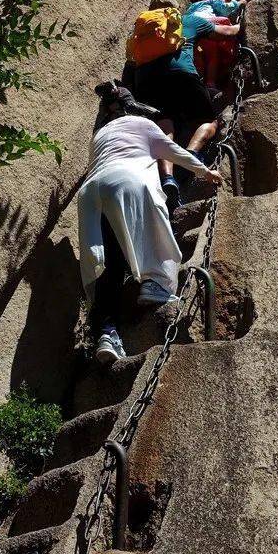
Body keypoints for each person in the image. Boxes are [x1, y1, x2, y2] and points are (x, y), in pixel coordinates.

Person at [78, 82, 222, 365]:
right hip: (128, 182)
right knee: (156, 224)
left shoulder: (100, 134)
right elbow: (173, 151)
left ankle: (107, 333)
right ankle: (155, 283)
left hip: (91, 193)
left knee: (111, 262)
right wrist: (205, 172)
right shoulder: (143, 125)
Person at [130, 0, 242, 212]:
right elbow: (227, 32)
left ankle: (168, 178)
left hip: (145, 81)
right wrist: (242, 21)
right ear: (175, 9)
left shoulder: (141, 33)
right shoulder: (185, 21)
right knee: (209, 120)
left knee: (164, 122)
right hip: (181, 74)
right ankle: (191, 153)